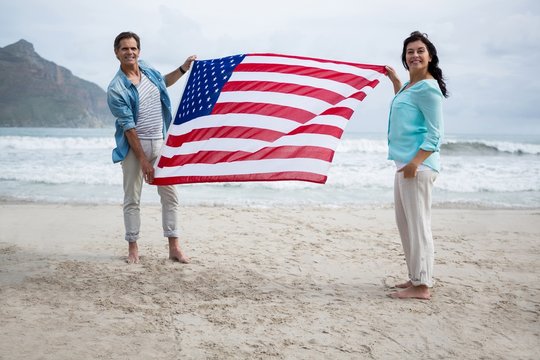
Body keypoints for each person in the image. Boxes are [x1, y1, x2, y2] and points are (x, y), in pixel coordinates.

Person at [107, 31, 196, 264]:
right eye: (124, 49)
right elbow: (129, 128)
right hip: (134, 148)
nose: (130, 52)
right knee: (132, 199)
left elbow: (163, 83)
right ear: (116, 53)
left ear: (139, 51)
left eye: (133, 48)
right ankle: (133, 248)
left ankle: (174, 247)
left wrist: (183, 69)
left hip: (160, 142)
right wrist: (144, 161)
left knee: (170, 196)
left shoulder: (146, 69)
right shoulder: (116, 88)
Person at [385, 31, 448, 300]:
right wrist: (396, 81)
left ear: (430, 56)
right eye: (410, 51)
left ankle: (422, 285)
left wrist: (415, 163)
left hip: (418, 167)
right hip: (405, 164)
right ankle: (415, 277)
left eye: (420, 50)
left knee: (418, 225)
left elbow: (436, 134)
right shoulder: (412, 88)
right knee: (406, 224)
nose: (415, 55)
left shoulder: (429, 89)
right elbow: (406, 104)